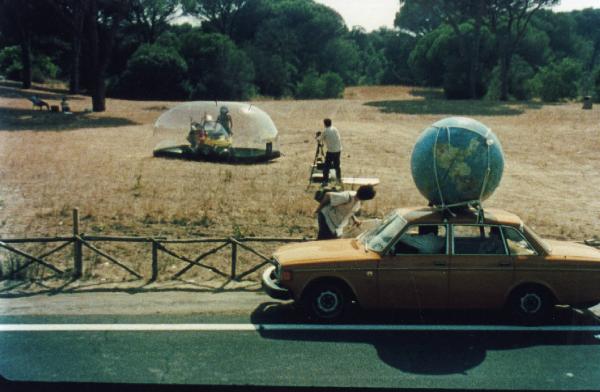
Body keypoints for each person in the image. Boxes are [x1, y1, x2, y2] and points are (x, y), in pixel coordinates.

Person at [319, 118, 341, 185]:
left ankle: (325, 180)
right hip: (338, 150)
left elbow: (319, 140)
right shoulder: (335, 129)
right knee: (337, 165)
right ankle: (338, 179)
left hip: (331, 151)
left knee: (326, 166)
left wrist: (317, 137)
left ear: (325, 124)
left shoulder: (325, 131)